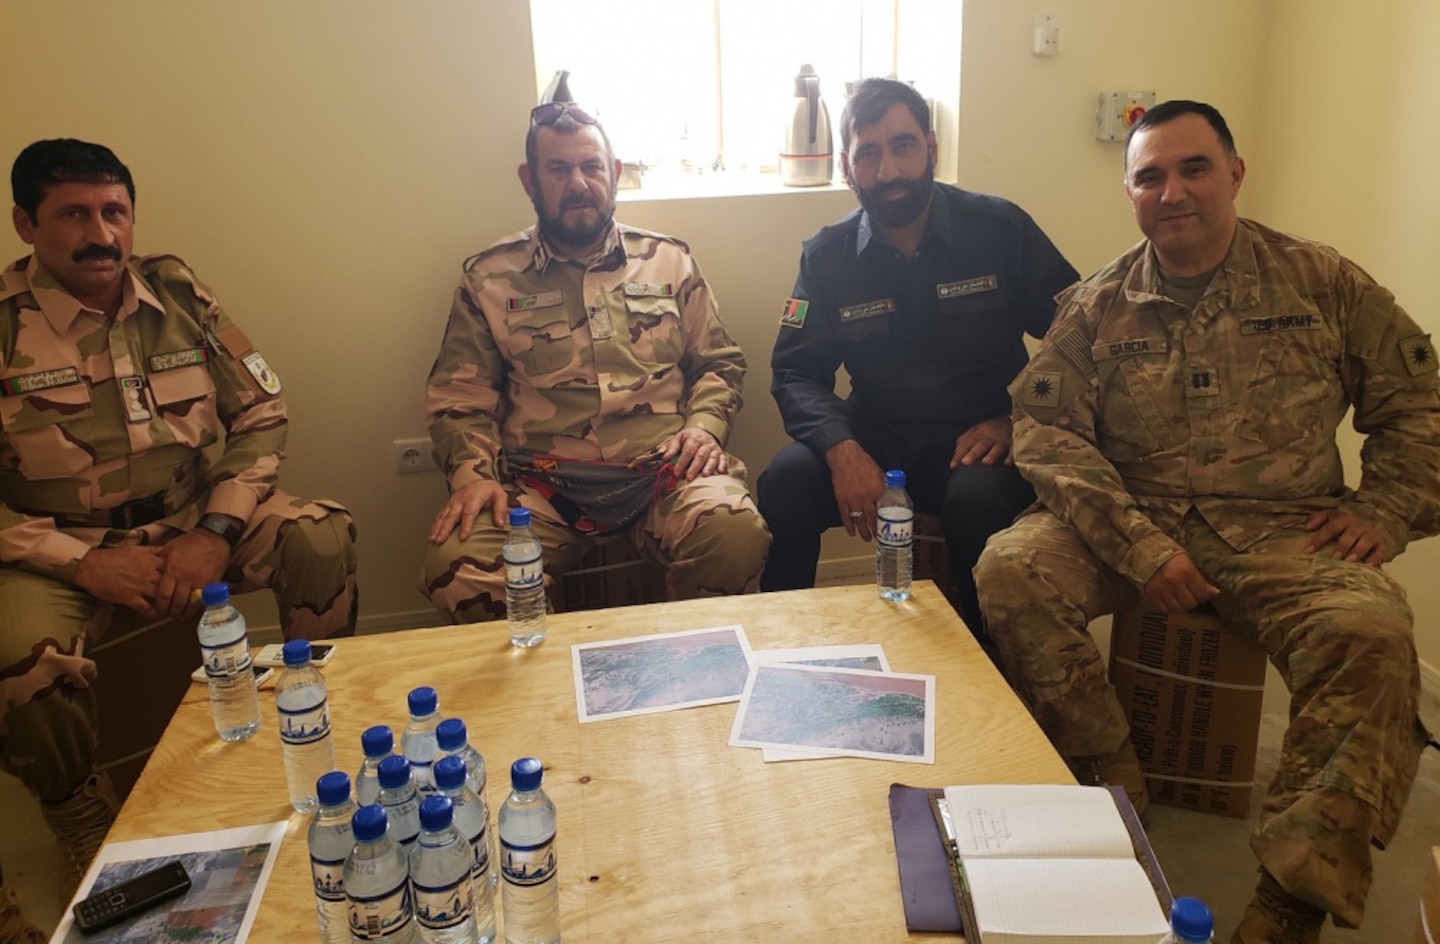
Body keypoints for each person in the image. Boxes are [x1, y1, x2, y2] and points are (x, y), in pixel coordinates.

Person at [975, 100, 1439, 943]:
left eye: (1193, 168)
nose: (1173, 191)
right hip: (1132, 518)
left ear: (1234, 174)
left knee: (1372, 636)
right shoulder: (1095, 305)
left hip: (1286, 532)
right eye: (1150, 176)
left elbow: (1418, 404)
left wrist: (1386, 507)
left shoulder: (1322, 284)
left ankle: (1288, 902)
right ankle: (1108, 775)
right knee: (1011, 568)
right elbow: (1045, 429)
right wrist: (1138, 545)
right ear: (1129, 192)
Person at [0, 139, 359, 928]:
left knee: (319, 536)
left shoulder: (176, 289)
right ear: (27, 223)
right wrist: (83, 562)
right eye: (73, 214)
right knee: (17, 654)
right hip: (58, 547)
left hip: (197, 514)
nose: (101, 233)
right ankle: (75, 812)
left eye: (113, 211)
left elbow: (262, 412)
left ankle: (310, 724)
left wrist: (218, 531)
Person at [421, 102, 769, 623]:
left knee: (735, 535)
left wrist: (704, 429)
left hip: (664, 471)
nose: (578, 183)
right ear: (529, 181)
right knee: (459, 569)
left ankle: (693, 681)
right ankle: (546, 691)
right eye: (558, 169)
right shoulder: (489, 279)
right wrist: (473, 475)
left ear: (615, 173)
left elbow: (720, 363)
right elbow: (459, 400)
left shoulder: (669, 261)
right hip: (541, 483)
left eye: (591, 167)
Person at [757, 78, 1077, 636]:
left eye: (903, 146)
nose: (889, 173)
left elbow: (1076, 340)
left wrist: (1020, 418)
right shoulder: (826, 257)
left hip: (977, 441)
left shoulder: (999, 230)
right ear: (846, 166)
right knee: (785, 480)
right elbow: (795, 372)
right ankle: (782, 645)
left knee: (978, 502)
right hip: (876, 435)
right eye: (869, 154)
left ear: (930, 146)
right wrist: (841, 449)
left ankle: (986, 664)